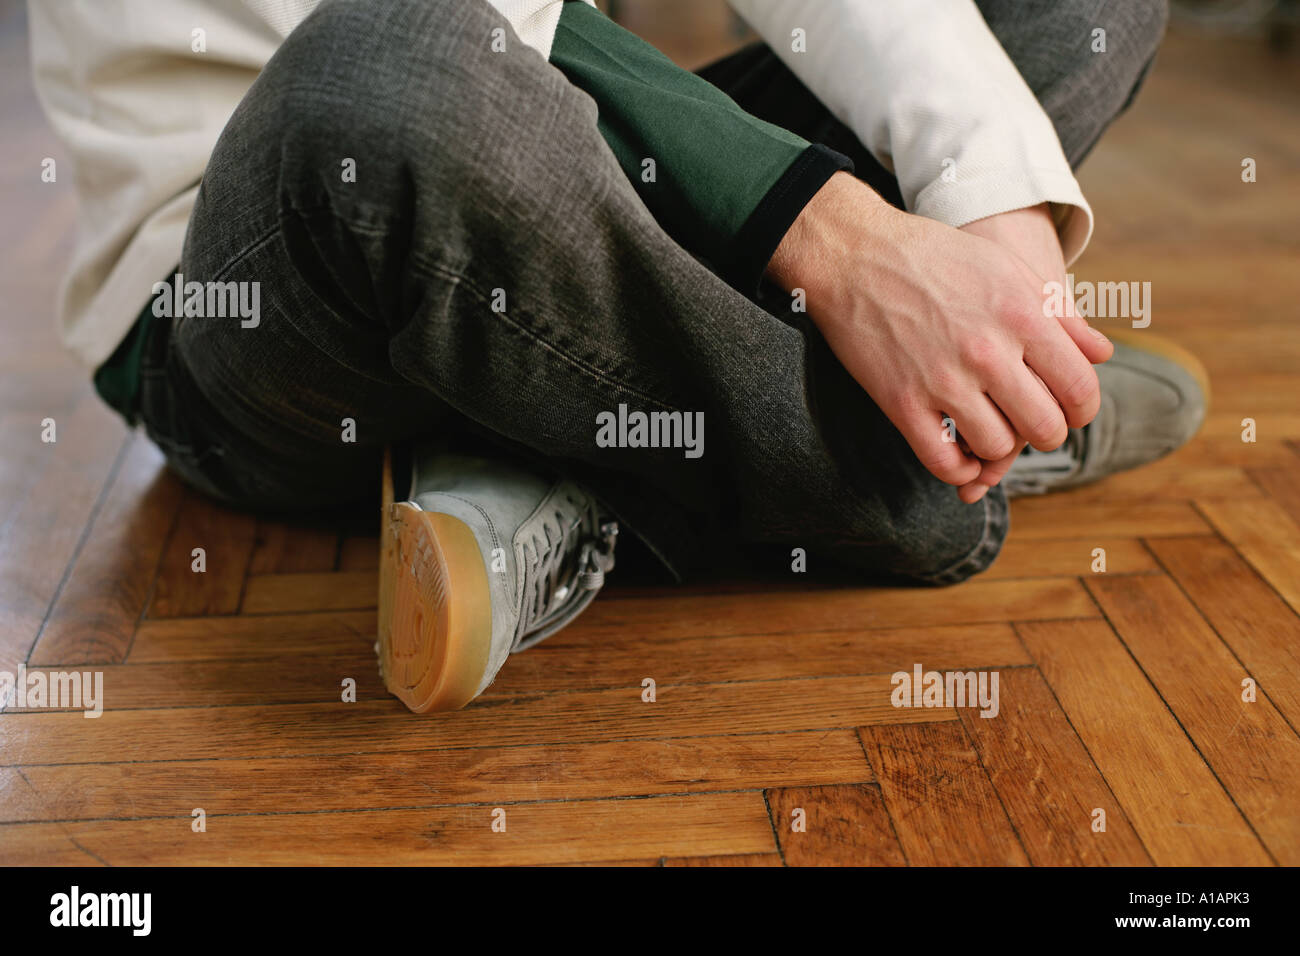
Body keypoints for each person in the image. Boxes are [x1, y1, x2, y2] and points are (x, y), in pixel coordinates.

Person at [30, 0, 1205, 712]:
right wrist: (851, 249)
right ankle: (928, 471)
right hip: (264, 283)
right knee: (386, 62)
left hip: (546, 157)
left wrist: (989, 199)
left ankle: (563, 444)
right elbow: (448, 38)